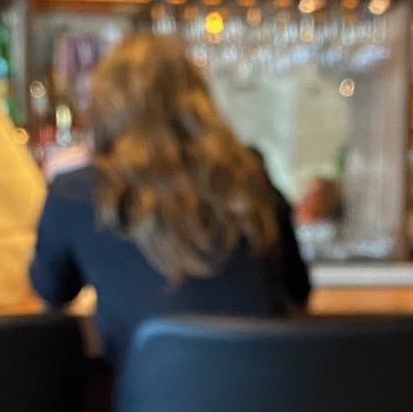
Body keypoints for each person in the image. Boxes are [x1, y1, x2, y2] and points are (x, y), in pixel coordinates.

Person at [29, 34, 310, 369]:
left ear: (104, 107)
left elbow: (51, 289)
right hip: (272, 409)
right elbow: (298, 290)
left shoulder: (76, 191)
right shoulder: (248, 173)